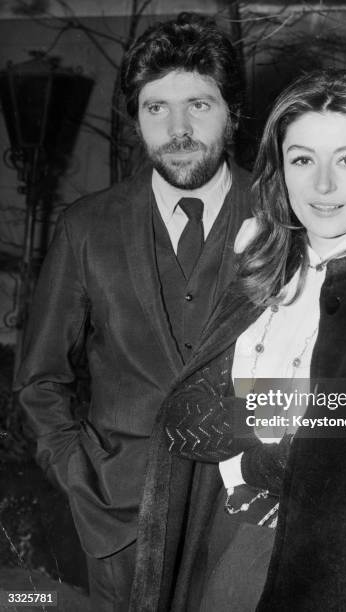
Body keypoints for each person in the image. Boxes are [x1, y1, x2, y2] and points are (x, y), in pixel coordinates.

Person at [129, 68, 346, 611]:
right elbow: (179, 416)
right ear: (279, 169)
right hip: (226, 540)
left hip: (331, 564)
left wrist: (249, 457)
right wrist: (293, 411)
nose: (323, 186)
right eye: (302, 159)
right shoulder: (267, 265)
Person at [14, 12, 253, 612]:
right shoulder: (86, 227)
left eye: (199, 105)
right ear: (136, 120)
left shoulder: (285, 216)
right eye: (156, 108)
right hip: (118, 520)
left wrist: (281, 462)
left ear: (232, 112)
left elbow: (321, 372)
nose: (178, 129)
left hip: (248, 521)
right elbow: (39, 380)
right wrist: (79, 475)